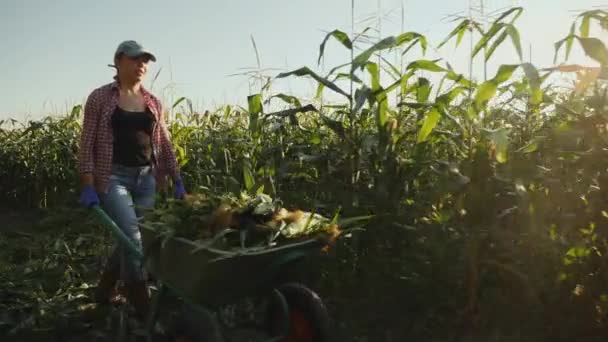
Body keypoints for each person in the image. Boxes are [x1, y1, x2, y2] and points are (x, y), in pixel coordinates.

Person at [77, 40, 186, 322]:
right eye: (136, 59)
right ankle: (143, 308)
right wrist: (88, 183)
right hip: (113, 177)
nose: (142, 65)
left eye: (145, 61)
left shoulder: (153, 102)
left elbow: (164, 142)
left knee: (132, 238)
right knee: (133, 238)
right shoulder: (100, 98)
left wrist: (176, 178)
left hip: (147, 179)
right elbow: (87, 143)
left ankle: (103, 291)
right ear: (119, 61)